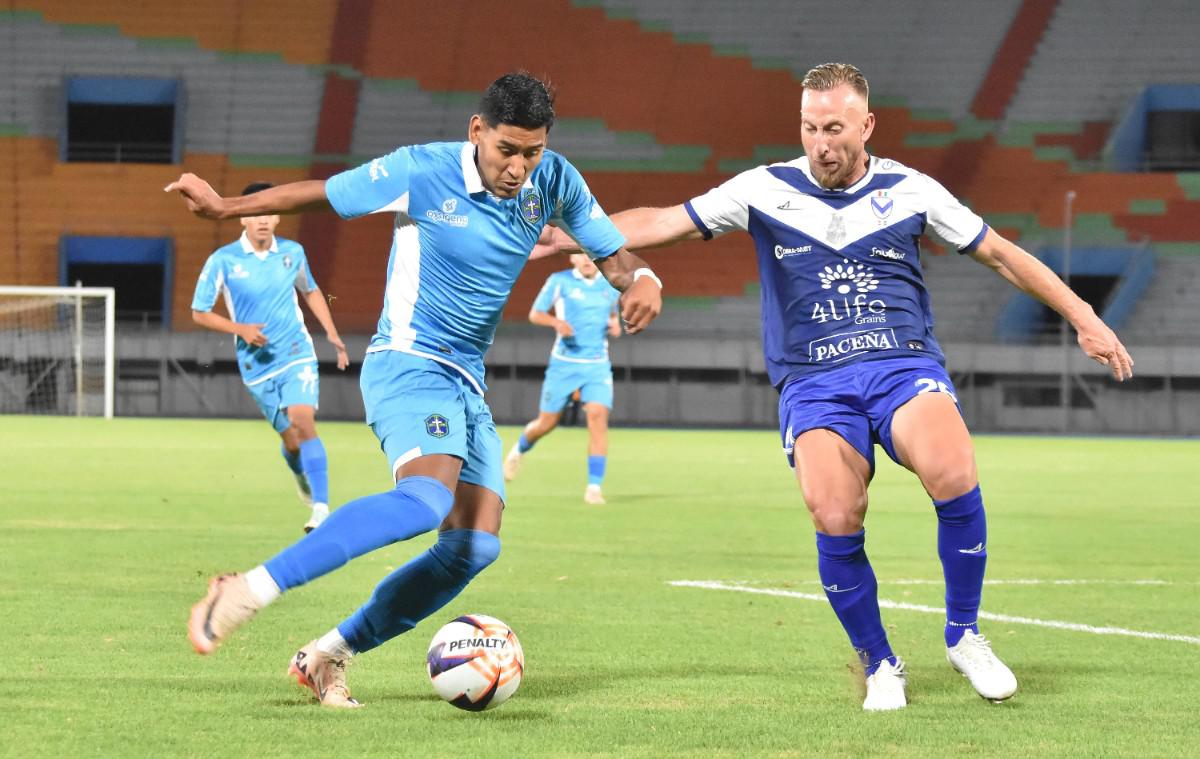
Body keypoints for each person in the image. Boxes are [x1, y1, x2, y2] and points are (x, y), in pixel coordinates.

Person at [537, 62, 1133, 711]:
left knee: (953, 466)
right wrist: (568, 234)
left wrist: (1084, 316)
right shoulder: (764, 188)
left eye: (835, 129)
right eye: (810, 128)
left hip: (901, 365)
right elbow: (661, 222)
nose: (821, 143)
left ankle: (964, 634)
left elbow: (1000, 254)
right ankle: (880, 662)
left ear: (866, 125)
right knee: (835, 511)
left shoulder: (911, 190)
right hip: (814, 381)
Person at [166, 72, 662, 708]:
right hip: (408, 361)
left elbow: (614, 255)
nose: (518, 168)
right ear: (477, 130)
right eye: (507, 150)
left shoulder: (556, 180)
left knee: (473, 546)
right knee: (425, 500)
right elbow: (324, 193)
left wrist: (643, 279)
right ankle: (248, 589)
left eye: (532, 152)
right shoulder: (422, 170)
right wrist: (225, 208)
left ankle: (327, 655)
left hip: (466, 379)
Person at [191, 182, 349, 533]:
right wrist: (240, 329)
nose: (262, 219)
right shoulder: (223, 260)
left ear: (278, 217)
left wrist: (331, 332)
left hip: (296, 352)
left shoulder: (292, 252)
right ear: (242, 217)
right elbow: (199, 312)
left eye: (269, 213)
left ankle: (321, 509)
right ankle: (300, 474)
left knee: (303, 421)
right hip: (257, 365)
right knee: (291, 441)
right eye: (255, 213)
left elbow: (310, 290)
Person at [503, 252, 622, 504]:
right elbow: (536, 314)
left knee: (598, 418)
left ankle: (594, 488)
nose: (587, 259)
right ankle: (518, 450)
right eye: (580, 254)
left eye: (590, 254)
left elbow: (613, 316)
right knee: (546, 423)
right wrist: (557, 323)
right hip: (564, 365)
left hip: (597, 365)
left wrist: (615, 325)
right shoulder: (560, 281)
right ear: (572, 259)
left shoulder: (610, 285)